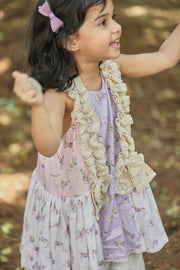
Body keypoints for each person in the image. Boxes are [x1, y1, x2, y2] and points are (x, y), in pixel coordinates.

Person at [12, 0, 180, 269]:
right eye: (103, 22)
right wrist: (37, 105)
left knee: (121, 259)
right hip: (77, 206)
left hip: (111, 196)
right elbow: (47, 145)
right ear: (71, 41)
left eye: (114, 17)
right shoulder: (59, 93)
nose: (117, 27)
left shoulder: (109, 67)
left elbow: (165, 57)